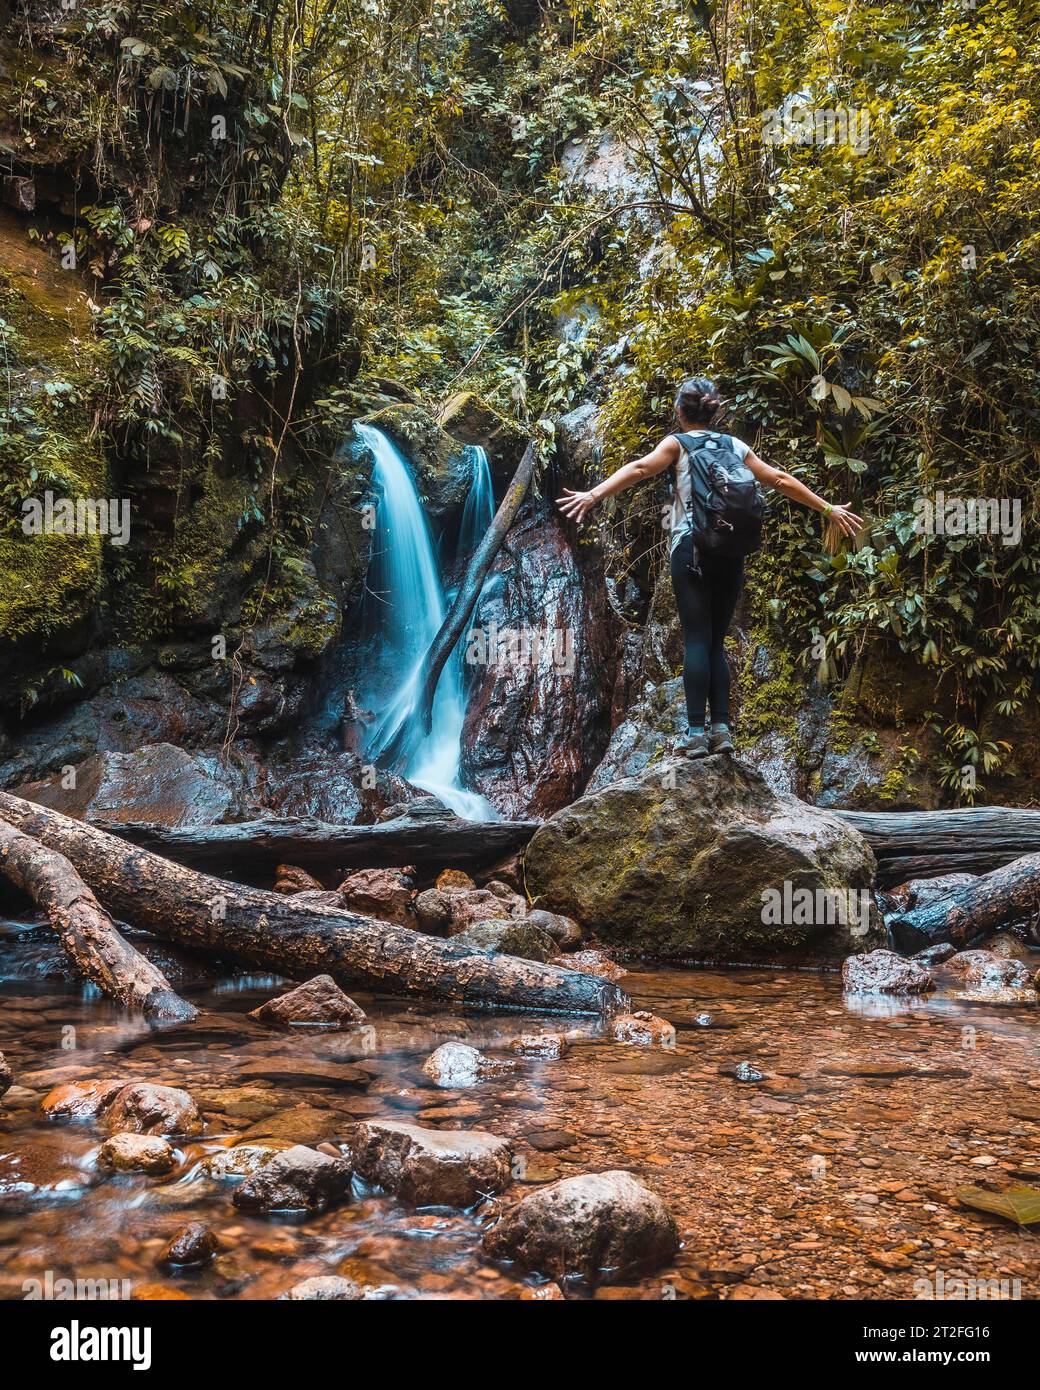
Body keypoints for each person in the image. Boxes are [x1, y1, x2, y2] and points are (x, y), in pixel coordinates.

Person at [556, 377, 863, 757]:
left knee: (697, 639)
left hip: (691, 550)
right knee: (717, 641)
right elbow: (779, 479)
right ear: (714, 411)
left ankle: (695, 734)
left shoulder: (677, 444)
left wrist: (594, 493)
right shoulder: (734, 446)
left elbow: (639, 469)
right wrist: (828, 509)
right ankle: (722, 730)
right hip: (730, 553)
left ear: (679, 412)